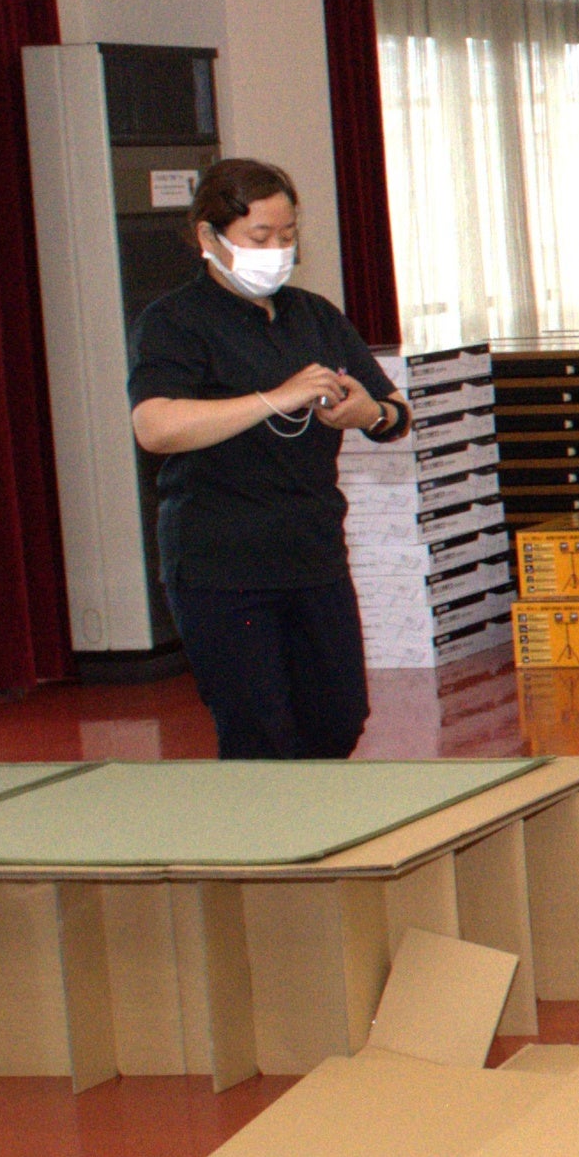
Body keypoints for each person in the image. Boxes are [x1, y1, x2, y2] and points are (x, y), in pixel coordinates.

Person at [127, 158, 407, 758]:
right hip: (220, 564)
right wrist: (274, 399)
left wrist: (369, 414)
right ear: (210, 237)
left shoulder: (314, 314)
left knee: (339, 717)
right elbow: (155, 426)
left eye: (287, 237)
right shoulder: (174, 323)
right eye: (260, 238)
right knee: (259, 732)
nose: (277, 250)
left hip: (312, 552)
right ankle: (266, 846)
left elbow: (392, 411)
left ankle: (319, 836)